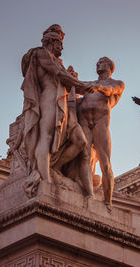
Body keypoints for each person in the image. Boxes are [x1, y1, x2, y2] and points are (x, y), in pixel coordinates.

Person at [21, 25, 90, 183]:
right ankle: (45, 179)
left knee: (77, 141)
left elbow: (63, 78)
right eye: (59, 43)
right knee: (46, 137)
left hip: (62, 102)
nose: (62, 47)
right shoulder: (41, 53)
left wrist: (73, 80)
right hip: (49, 99)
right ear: (51, 42)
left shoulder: (56, 60)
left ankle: (52, 169)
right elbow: (58, 74)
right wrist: (82, 85)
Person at [73, 57, 125, 210]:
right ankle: (89, 194)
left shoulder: (116, 83)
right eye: (97, 62)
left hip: (100, 123)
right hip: (84, 121)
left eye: (101, 62)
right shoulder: (90, 84)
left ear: (110, 66)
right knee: (85, 156)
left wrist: (96, 87)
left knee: (105, 163)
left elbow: (111, 91)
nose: (97, 64)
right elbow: (76, 91)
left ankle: (107, 201)